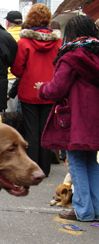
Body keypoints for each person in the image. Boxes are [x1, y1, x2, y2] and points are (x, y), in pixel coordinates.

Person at [35, 15, 99, 221]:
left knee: (76, 162)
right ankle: (96, 208)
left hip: (77, 117)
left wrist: (42, 88)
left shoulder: (71, 56)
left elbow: (57, 89)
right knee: (91, 162)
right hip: (96, 117)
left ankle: (83, 210)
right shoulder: (97, 53)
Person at [11, 3, 62, 177]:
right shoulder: (58, 42)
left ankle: (32, 168)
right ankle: (45, 168)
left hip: (29, 91)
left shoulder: (24, 42)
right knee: (46, 130)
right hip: (50, 91)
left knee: (31, 131)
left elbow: (17, 70)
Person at [4, 10, 23, 112]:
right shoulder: (26, 37)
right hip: (23, 79)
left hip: (9, 78)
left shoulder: (6, 36)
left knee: (9, 114)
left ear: (7, 23)